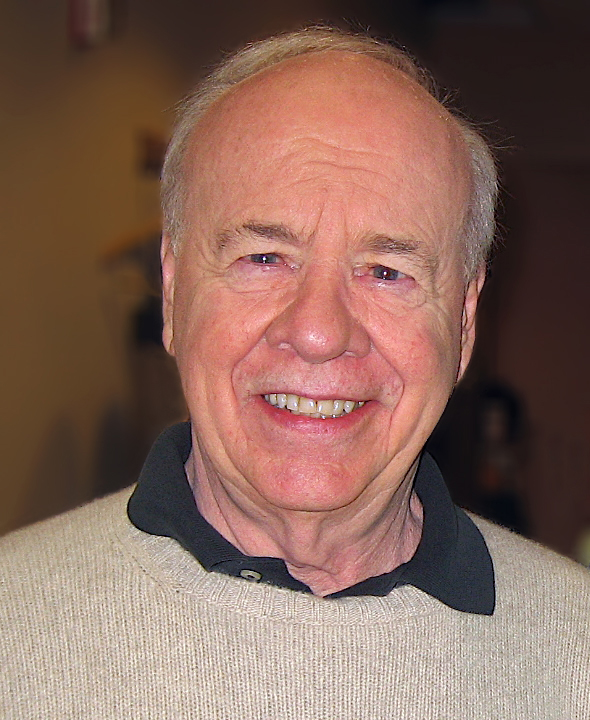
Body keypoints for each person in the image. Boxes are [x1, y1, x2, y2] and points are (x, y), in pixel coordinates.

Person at [1, 27, 589, 719]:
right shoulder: (16, 629)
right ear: (173, 291)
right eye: (263, 258)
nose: (318, 333)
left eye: (386, 271)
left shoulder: (574, 650)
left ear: (463, 323)